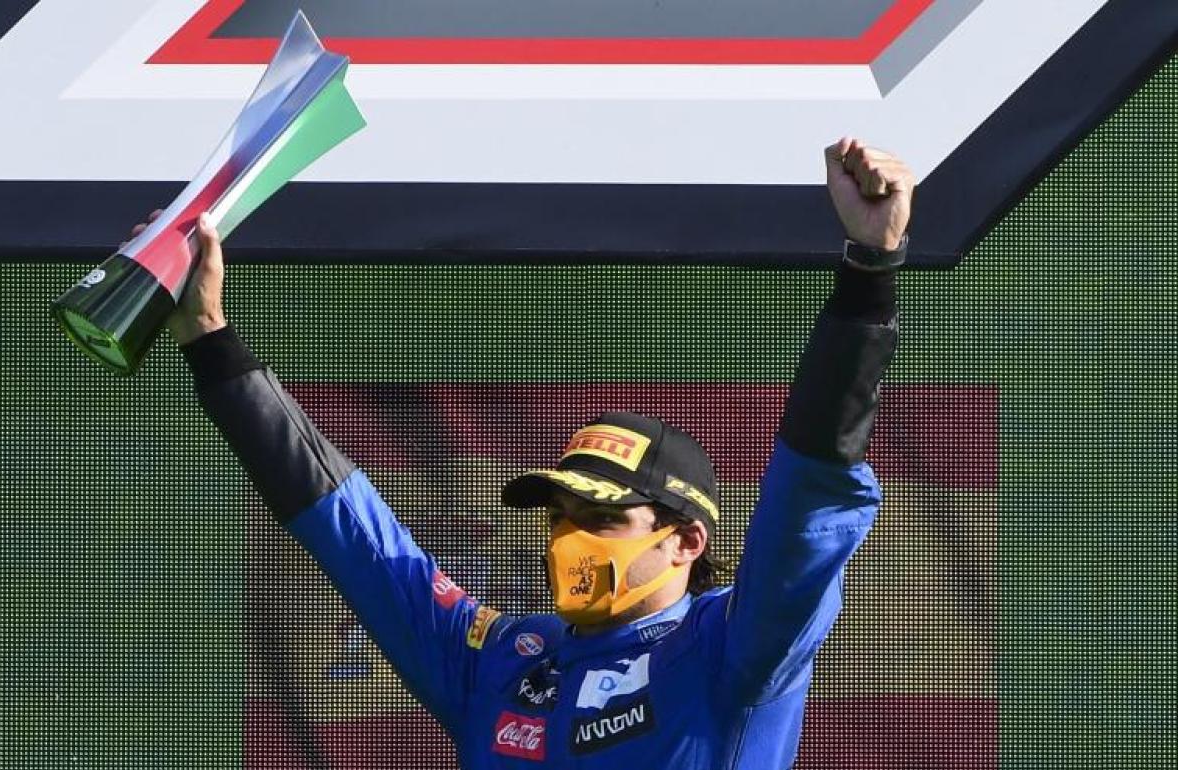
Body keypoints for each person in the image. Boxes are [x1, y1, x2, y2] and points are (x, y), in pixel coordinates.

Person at [140, 136, 915, 769]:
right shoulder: (502, 662)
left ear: (686, 540)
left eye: (602, 517)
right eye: (561, 514)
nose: (570, 536)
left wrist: (869, 274)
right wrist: (209, 339)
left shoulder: (733, 651)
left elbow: (806, 506)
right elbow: (358, 541)